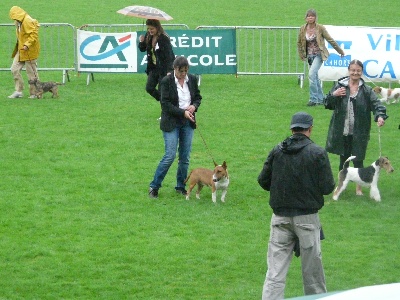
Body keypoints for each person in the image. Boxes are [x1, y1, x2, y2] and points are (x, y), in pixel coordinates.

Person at [258, 111, 335, 300]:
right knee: (313, 276)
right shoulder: (317, 153)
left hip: (280, 218)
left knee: (275, 273)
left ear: (292, 129)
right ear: (310, 129)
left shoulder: (277, 150)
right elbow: (327, 187)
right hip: (307, 219)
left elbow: (263, 181)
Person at [324, 59, 388, 195]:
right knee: (344, 158)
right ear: (349, 71)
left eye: (358, 71)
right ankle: (341, 186)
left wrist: (380, 116)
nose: (355, 73)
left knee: (358, 158)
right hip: (343, 129)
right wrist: (333, 95)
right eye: (353, 70)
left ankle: (359, 188)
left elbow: (377, 105)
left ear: (361, 72)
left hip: (360, 131)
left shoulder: (366, 90)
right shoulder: (340, 86)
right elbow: (327, 103)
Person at [148, 56, 202, 199]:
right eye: (181, 71)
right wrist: (182, 112)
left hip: (187, 123)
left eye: (186, 71)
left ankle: (180, 186)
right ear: (175, 69)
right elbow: (165, 104)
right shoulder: (166, 82)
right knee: (170, 156)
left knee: (185, 157)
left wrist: (193, 106)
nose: (183, 74)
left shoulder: (192, 79)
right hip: (171, 122)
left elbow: (198, 97)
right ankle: (154, 186)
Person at [297, 9, 345, 106]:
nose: (310, 18)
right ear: (305, 18)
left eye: (312, 16)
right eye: (308, 16)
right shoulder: (302, 28)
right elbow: (299, 42)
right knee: (314, 77)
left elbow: (330, 40)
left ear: (315, 17)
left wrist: (339, 50)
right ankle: (321, 98)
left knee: (311, 74)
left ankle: (313, 99)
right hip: (309, 55)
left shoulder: (320, 28)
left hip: (319, 54)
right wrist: (301, 54)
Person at [138, 19, 175, 101]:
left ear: (157, 28)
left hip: (163, 69)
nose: (149, 31)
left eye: (152, 29)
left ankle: (165, 106)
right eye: (148, 29)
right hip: (153, 68)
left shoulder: (163, 38)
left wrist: (169, 70)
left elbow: (169, 55)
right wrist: (141, 41)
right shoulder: (148, 35)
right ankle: (167, 102)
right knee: (149, 88)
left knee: (162, 90)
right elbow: (143, 48)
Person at [8, 6, 40, 99]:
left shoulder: (28, 21)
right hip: (21, 50)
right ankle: (19, 91)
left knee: (31, 72)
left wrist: (27, 44)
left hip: (30, 51)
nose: (14, 19)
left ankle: (35, 92)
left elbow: (34, 34)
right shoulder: (18, 22)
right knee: (14, 69)